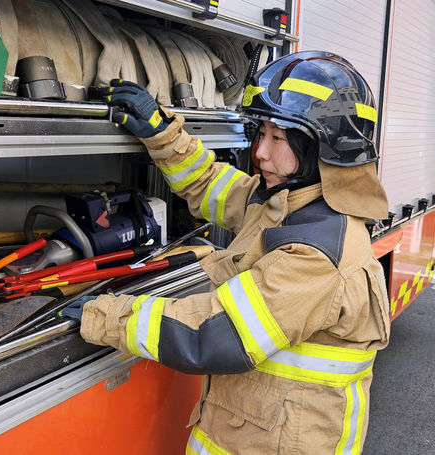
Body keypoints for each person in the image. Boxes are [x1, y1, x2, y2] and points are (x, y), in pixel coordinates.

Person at [61, 51, 391, 454]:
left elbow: (213, 335)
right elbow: (214, 186)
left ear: (321, 147)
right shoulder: (291, 204)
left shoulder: (317, 256)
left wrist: (107, 315)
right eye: (261, 133)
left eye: (277, 138)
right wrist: (162, 135)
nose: (260, 153)